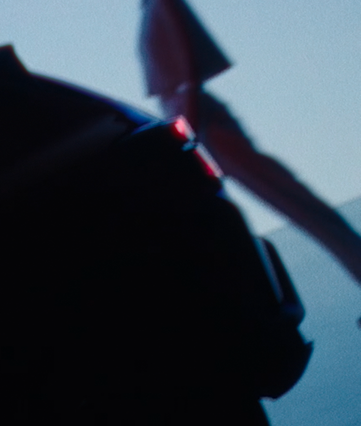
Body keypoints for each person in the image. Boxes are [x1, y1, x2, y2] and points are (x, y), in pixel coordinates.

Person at [139, 0, 361, 305]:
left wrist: (186, 121)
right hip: (193, 116)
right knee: (291, 201)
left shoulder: (162, 4)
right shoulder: (152, 8)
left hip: (199, 119)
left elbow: (188, 64)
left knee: (291, 200)